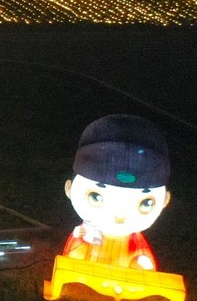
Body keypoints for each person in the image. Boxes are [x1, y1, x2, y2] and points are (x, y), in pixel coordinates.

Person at [61, 114, 169, 270]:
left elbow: (143, 259)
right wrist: (80, 242)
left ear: (165, 201)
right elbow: (74, 255)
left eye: (146, 203)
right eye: (95, 197)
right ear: (69, 188)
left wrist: (140, 263)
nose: (120, 215)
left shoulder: (135, 241)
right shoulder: (87, 232)